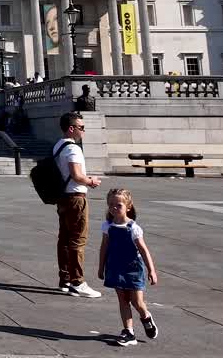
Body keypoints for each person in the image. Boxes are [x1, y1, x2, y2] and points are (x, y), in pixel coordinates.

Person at [99, 188, 159, 346]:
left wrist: (151, 270)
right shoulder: (107, 226)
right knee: (123, 300)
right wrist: (101, 267)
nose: (114, 208)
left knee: (136, 301)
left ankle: (145, 316)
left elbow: (144, 251)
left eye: (118, 205)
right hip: (115, 267)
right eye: (111, 204)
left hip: (133, 269)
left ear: (128, 206)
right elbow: (104, 248)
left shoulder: (133, 228)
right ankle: (128, 332)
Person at [55, 111, 103, 298]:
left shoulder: (59, 146)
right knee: (78, 239)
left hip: (63, 197)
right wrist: (91, 181)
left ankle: (65, 279)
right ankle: (78, 281)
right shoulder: (73, 149)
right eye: (81, 127)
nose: (83, 131)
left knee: (64, 239)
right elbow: (76, 175)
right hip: (76, 197)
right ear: (71, 128)